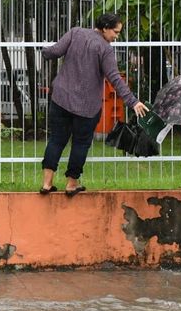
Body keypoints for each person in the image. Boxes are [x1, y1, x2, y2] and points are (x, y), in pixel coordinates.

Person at [39, 13, 149, 196]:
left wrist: (44, 50)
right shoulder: (104, 49)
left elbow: (54, 52)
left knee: (56, 140)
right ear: (105, 28)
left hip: (61, 99)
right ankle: (71, 184)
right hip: (86, 106)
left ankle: (46, 183)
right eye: (115, 32)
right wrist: (133, 101)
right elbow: (114, 78)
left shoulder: (75, 33)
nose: (116, 36)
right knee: (81, 144)